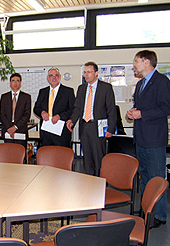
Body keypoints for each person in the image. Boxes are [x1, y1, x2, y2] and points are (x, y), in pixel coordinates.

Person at [126, 50, 170, 228]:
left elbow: (166, 108)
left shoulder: (161, 82)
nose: (134, 64)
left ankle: (159, 215)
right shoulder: (142, 83)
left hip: (154, 140)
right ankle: (147, 210)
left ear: (147, 62)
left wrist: (141, 113)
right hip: (142, 139)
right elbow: (141, 107)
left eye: (136, 61)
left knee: (157, 178)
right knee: (144, 177)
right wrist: (133, 112)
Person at [66, 61, 116, 176]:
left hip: (98, 127)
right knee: (87, 158)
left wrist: (111, 129)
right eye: (84, 72)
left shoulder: (106, 88)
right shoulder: (81, 88)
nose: (86, 75)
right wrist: (72, 121)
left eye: (89, 72)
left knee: (99, 157)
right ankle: (89, 182)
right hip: (84, 127)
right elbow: (77, 108)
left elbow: (111, 110)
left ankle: (101, 182)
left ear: (96, 73)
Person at [34, 67, 75, 148]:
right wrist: (42, 112)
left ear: (59, 77)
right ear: (48, 78)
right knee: (47, 157)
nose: (54, 77)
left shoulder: (68, 91)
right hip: (46, 132)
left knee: (61, 158)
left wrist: (60, 116)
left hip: (61, 132)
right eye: (51, 75)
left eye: (56, 75)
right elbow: (36, 108)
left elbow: (72, 109)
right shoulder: (42, 92)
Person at [0, 73, 31, 149]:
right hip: (7, 131)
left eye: (17, 81)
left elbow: (27, 115)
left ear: (20, 83)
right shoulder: (4, 97)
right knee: (8, 154)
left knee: (20, 155)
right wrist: (10, 128)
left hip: (20, 130)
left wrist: (15, 127)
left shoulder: (26, 97)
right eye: (13, 81)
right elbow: (2, 114)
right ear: (10, 83)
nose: (15, 83)